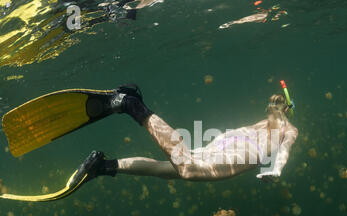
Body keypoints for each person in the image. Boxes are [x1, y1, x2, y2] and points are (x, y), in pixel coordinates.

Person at [77, 85, 298, 186]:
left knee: (167, 170)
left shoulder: (263, 122)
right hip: (236, 155)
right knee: (187, 168)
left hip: (224, 146)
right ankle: (131, 104)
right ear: (288, 108)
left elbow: (242, 136)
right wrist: (277, 170)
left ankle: (104, 166)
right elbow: (285, 150)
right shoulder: (289, 129)